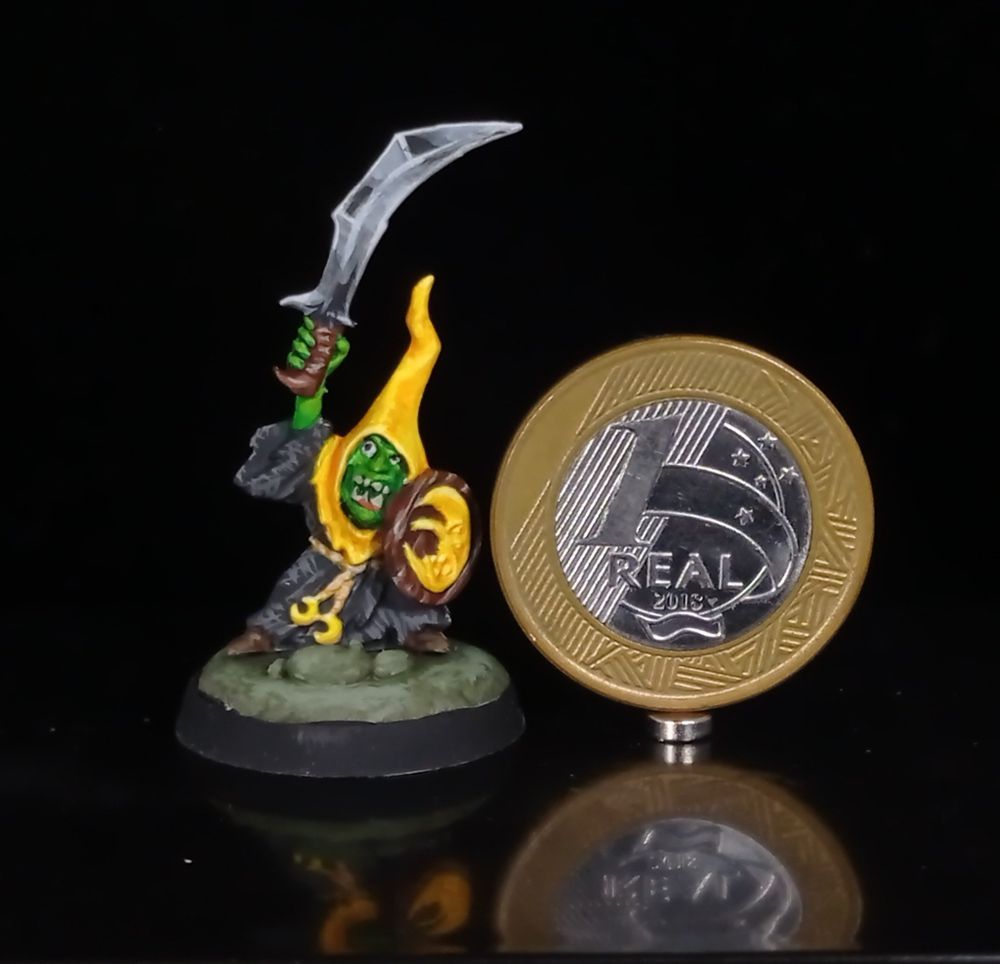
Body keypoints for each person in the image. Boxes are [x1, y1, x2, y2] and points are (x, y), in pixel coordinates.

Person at [226, 276, 452, 656]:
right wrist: (309, 399)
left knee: (405, 586)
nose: (376, 470)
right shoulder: (325, 467)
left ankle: (417, 632)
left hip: (382, 572)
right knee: (295, 589)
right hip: (323, 567)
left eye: (393, 461)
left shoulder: (407, 508)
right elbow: (301, 448)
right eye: (369, 451)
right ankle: (266, 635)